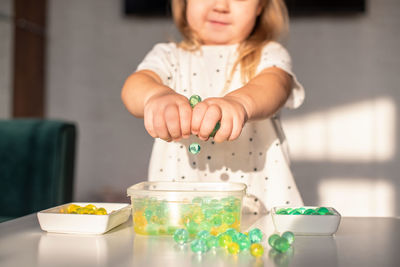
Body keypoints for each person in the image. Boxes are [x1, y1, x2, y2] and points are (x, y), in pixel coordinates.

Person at [121, 0, 305, 214]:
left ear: (260, 6)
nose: (221, 6)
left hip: (259, 209)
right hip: (179, 209)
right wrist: (156, 95)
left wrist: (241, 103)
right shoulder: (168, 56)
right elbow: (135, 85)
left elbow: (276, 86)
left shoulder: (268, 53)